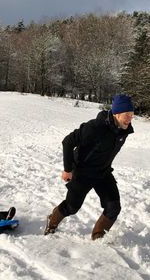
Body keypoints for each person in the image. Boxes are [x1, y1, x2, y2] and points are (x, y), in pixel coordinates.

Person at [44, 94, 135, 240]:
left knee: (113, 207)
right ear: (116, 113)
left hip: (103, 172)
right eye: (127, 115)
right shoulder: (95, 127)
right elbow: (67, 142)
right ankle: (52, 220)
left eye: (132, 115)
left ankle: (98, 237)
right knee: (71, 207)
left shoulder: (123, 130)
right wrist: (68, 169)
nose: (130, 118)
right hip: (82, 172)